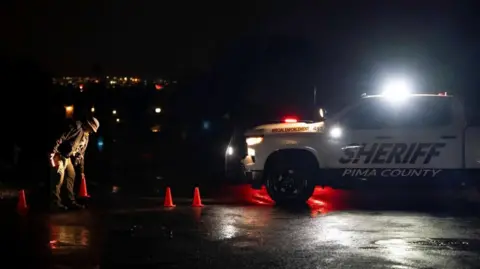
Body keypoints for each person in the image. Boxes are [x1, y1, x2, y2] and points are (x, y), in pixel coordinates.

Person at [50, 117, 100, 211]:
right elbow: (61, 137)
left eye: (93, 130)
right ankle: (55, 204)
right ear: (87, 125)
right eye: (91, 129)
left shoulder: (86, 136)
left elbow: (81, 154)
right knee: (58, 178)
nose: (91, 132)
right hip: (59, 154)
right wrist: (53, 152)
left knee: (71, 175)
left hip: (67, 157)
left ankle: (69, 201)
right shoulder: (76, 127)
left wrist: (82, 171)